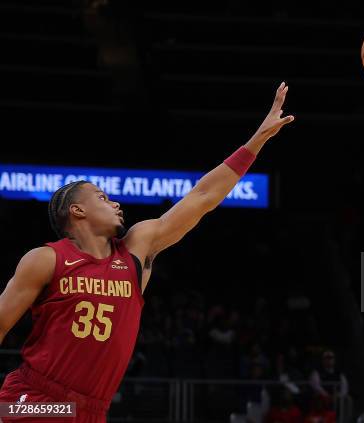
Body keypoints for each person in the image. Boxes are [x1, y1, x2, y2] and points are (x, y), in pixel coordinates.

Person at [0, 83, 294, 423]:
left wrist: (257, 140)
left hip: (92, 410)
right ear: (77, 211)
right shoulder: (46, 259)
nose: (115, 203)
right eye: (102, 198)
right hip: (35, 399)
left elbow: (201, 198)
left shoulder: (136, 249)